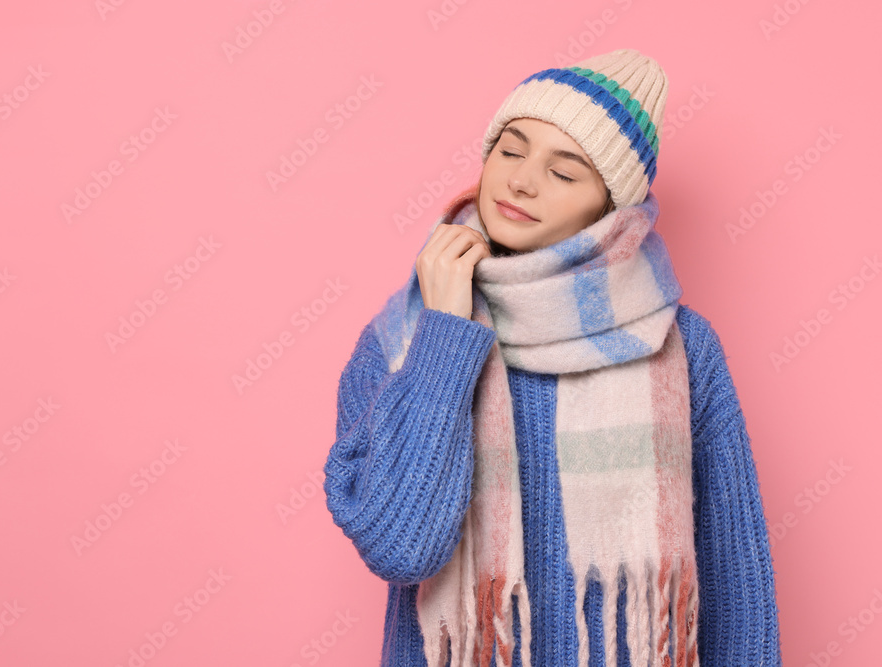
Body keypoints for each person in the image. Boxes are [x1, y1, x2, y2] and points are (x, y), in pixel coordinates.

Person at [323, 48, 782, 667]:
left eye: (565, 173)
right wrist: (445, 333)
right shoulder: (403, 337)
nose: (521, 180)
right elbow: (404, 546)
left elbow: (735, 582)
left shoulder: (678, 346)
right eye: (510, 151)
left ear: (609, 208)